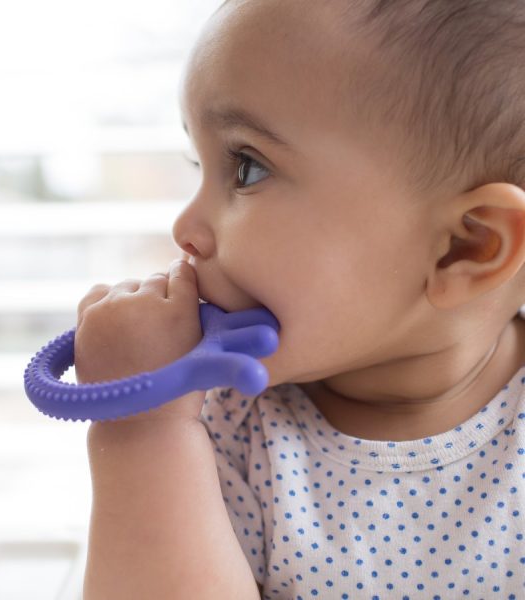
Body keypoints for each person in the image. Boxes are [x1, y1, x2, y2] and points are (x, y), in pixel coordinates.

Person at [75, 0, 525, 597]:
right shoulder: (213, 428)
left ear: (463, 248)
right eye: (197, 164)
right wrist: (142, 435)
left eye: (247, 168)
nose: (184, 226)